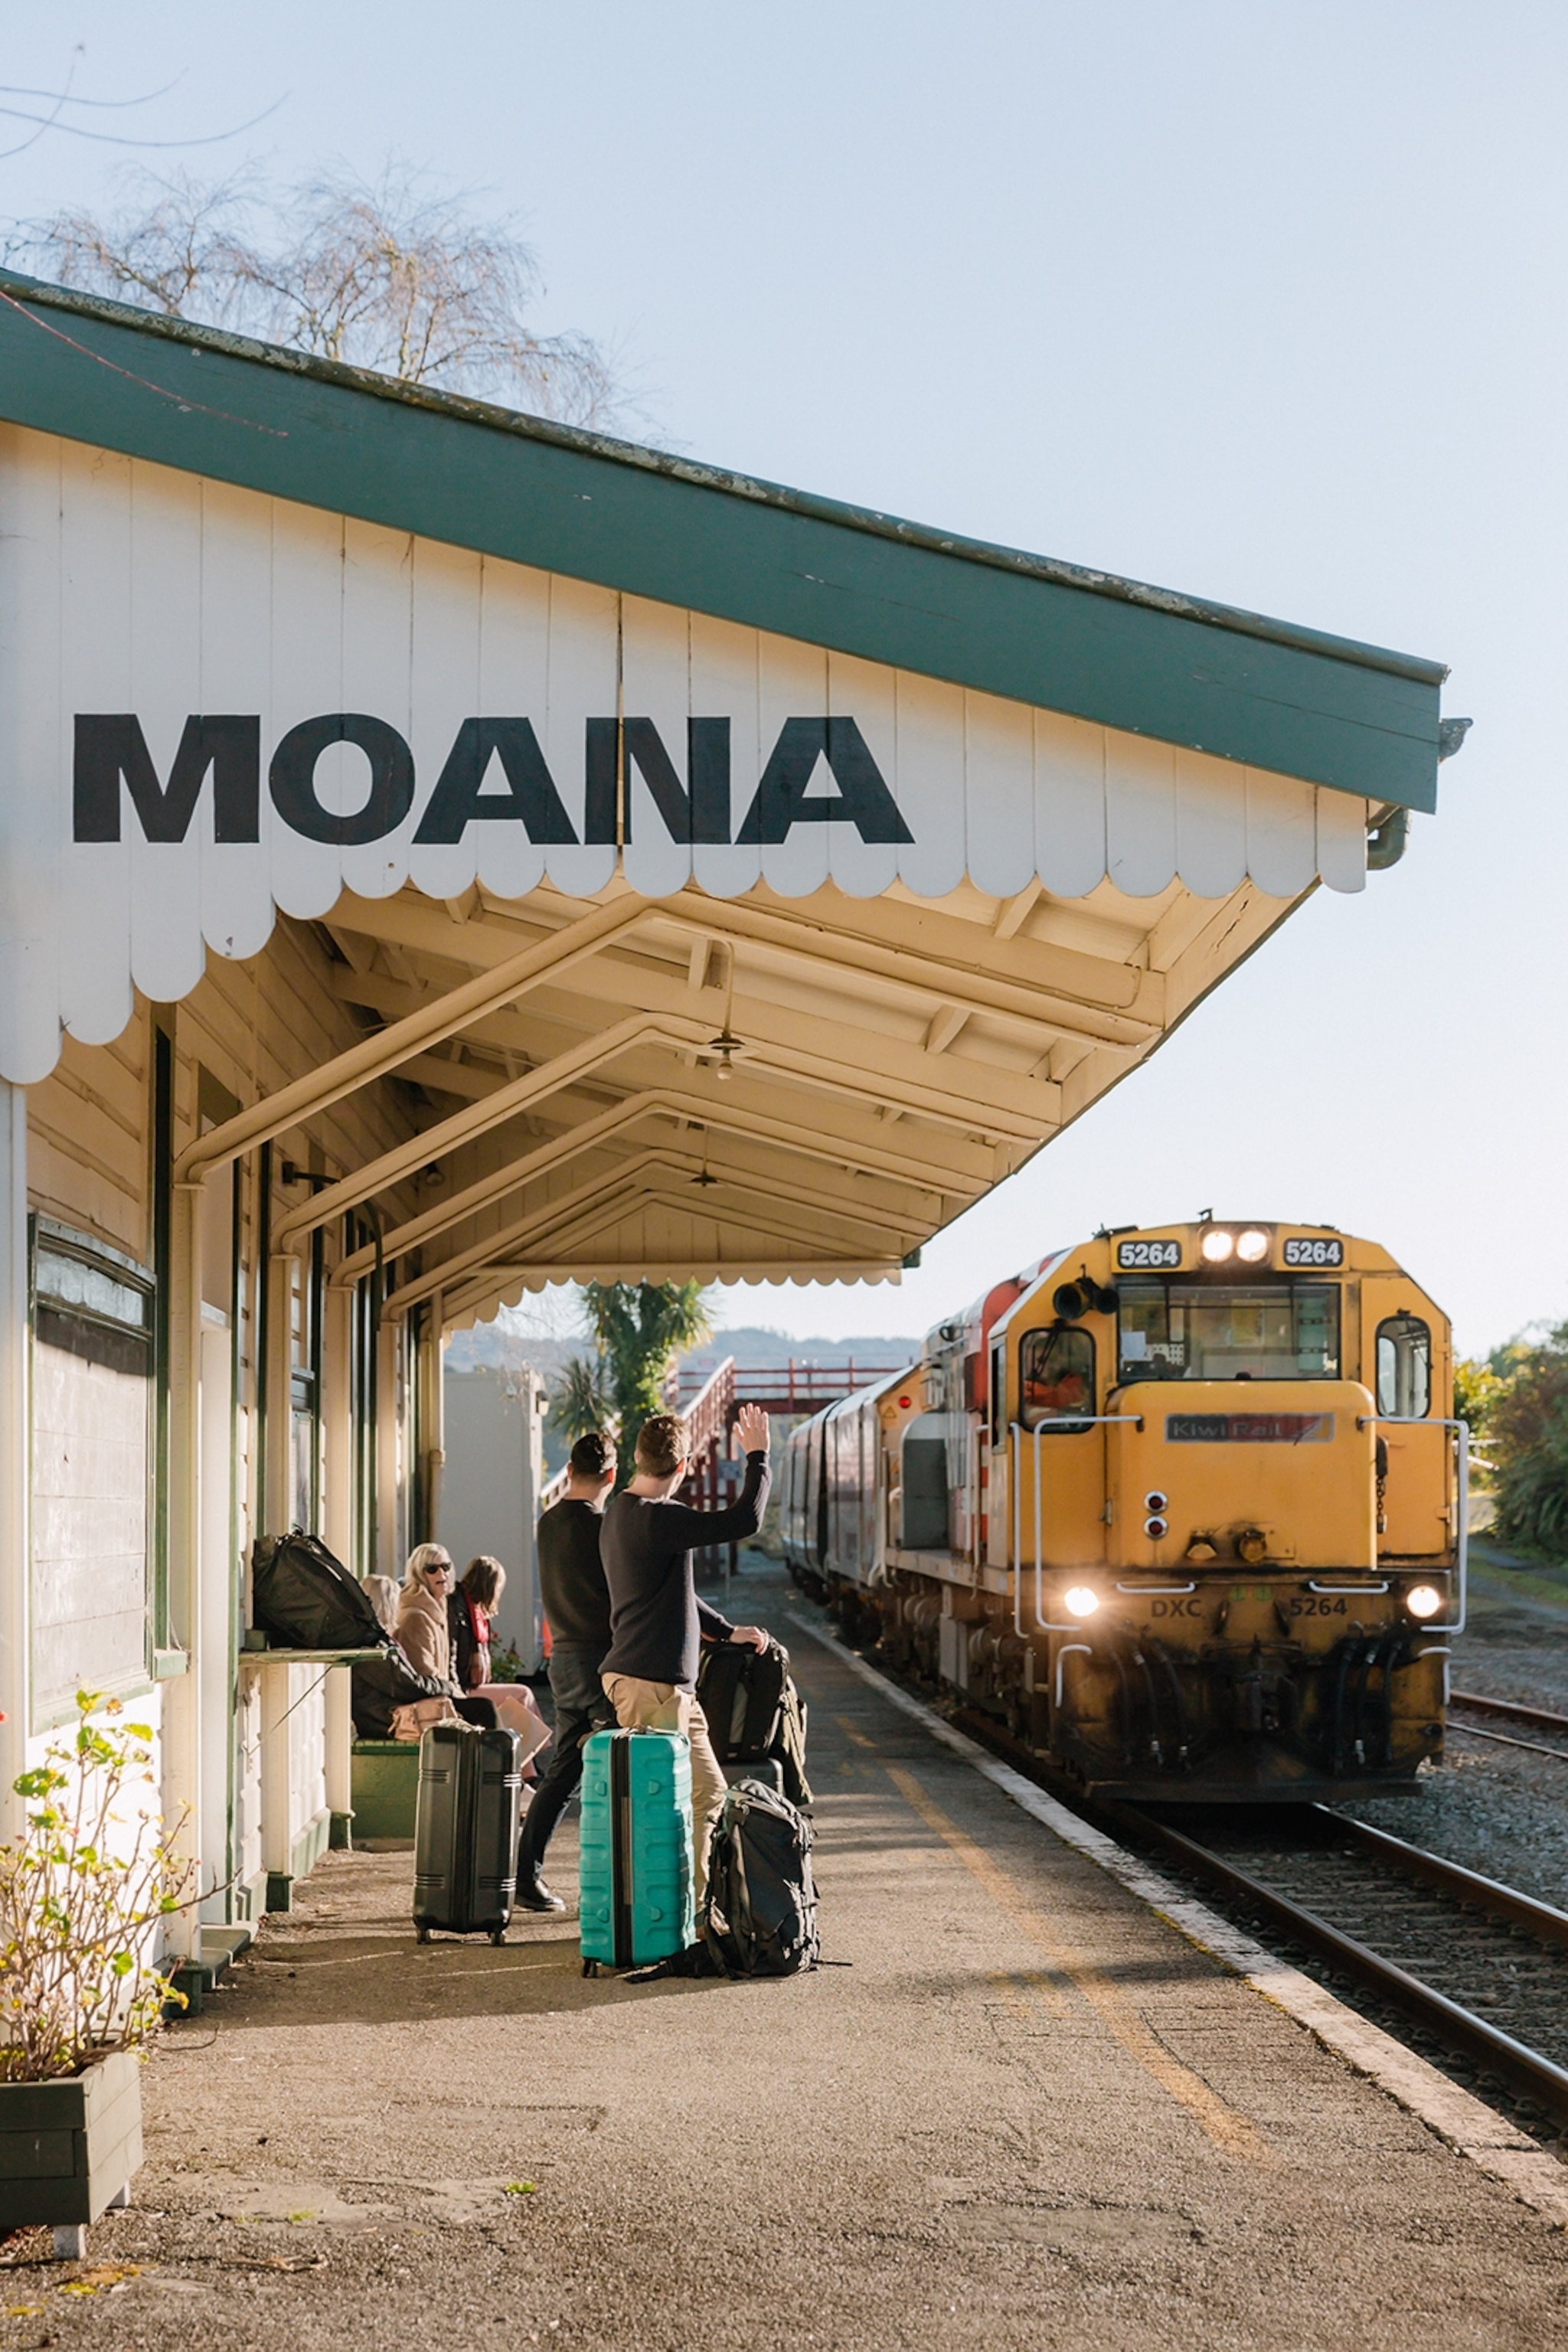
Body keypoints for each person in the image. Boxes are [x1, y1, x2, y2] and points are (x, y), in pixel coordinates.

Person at [598, 1404, 772, 1906]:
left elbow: (676, 1593)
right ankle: (671, 1915)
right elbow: (747, 1519)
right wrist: (757, 1457)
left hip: (664, 1686)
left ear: (637, 1457)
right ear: (683, 1466)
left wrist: (726, 1631)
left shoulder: (619, 1515)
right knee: (665, 1807)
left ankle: (689, 1911)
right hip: (651, 1685)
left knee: (707, 1795)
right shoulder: (659, 1519)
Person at [514, 1431, 619, 1913]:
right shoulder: (607, 1528)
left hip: (564, 1662)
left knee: (563, 1773)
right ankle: (619, 1886)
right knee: (625, 1771)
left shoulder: (547, 1523)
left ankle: (525, 1877)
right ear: (612, 1477)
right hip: (605, 1662)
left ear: (570, 1471)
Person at [394, 1542, 457, 1684]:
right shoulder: (416, 1617)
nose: (442, 1574)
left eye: (446, 1567)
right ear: (418, 1574)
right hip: (427, 1698)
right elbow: (424, 1672)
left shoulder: (440, 1607)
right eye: (432, 1569)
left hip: (441, 1692)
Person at [450, 1555, 506, 1690]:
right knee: (523, 1694)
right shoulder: (457, 1608)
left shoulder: (478, 1612)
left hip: (468, 1684)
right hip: (461, 1686)